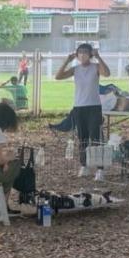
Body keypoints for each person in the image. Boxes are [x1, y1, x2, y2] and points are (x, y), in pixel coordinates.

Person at [55, 43, 111, 180]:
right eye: (79, 53)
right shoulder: (75, 69)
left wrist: (98, 57)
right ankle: (84, 165)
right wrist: (67, 60)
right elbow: (58, 76)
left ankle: (100, 169)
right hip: (79, 107)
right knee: (82, 138)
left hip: (94, 107)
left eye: (85, 52)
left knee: (96, 138)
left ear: (90, 54)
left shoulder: (96, 67)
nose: (82, 55)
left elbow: (107, 73)